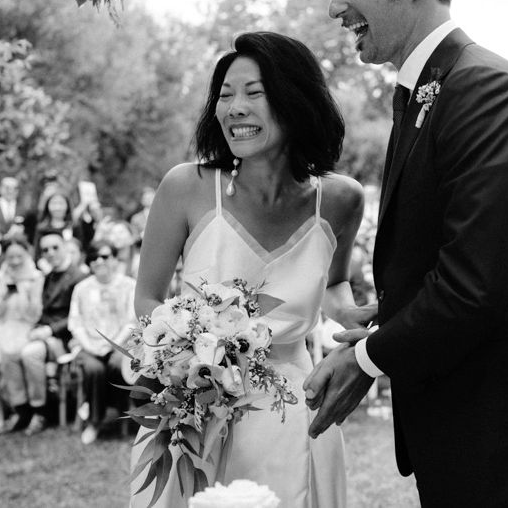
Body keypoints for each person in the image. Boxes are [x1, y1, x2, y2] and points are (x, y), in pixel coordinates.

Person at [303, 0, 508, 508]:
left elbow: (477, 283)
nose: (337, 8)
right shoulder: (424, 93)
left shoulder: (483, 88)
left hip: (500, 431)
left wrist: (368, 359)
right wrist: (390, 315)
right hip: (456, 423)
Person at [130, 32, 374, 507]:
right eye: (224, 95)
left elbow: (335, 281)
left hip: (295, 404)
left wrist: (349, 315)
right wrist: (179, 362)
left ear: (296, 99)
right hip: (197, 408)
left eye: (253, 93)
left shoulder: (342, 199)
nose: (234, 107)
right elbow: (147, 297)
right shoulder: (186, 187)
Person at [6, 231, 86, 436]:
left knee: (29, 353)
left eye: (55, 247)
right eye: (45, 250)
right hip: (41, 332)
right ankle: (21, 407)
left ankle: (40, 411)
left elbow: (78, 315)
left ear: (65, 248)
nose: (50, 253)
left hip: (64, 337)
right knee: (10, 351)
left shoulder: (78, 276)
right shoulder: (47, 276)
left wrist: (50, 330)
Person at [68, 240, 135, 446]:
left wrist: (112, 344)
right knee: (94, 368)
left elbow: (131, 322)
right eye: (94, 257)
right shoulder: (81, 288)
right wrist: (90, 346)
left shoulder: (128, 285)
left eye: (105, 256)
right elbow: (75, 323)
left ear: (115, 259)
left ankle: (126, 417)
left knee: (117, 365)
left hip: (120, 344)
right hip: (89, 345)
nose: (99, 261)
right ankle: (95, 422)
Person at [0, 235, 43, 433]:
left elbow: (34, 315)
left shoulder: (35, 277)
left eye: (19, 256)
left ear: (26, 254)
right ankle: (18, 408)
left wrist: (24, 290)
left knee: (22, 353)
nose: (14, 261)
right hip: (1, 327)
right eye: (10, 257)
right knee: (3, 352)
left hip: (26, 328)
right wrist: (5, 297)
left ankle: (37, 409)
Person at [0, 176, 31, 241]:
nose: (11, 191)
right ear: (0, 189)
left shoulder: (24, 210)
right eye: (7, 188)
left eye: (14, 188)